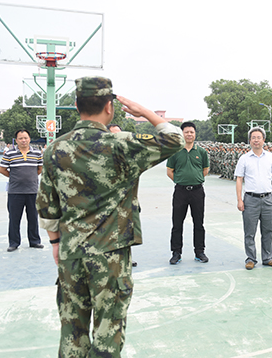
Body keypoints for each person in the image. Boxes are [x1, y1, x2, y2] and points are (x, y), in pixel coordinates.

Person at [36, 76, 184, 357]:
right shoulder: (121, 144)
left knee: (72, 332)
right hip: (110, 255)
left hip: (70, 253)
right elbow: (175, 139)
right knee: (107, 333)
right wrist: (144, 112)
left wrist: (55, 243)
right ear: (109, 106)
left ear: (77, 105)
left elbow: (47, 205)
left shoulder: (54, 149)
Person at [234, 127, 272, 270]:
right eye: (253, 138)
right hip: (250, 199)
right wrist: (239, 199)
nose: (256, 140)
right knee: (250, 232)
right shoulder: (244, 159)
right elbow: (239, 179)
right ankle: (251, 259)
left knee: (268, 231)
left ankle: (268, 258)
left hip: (268, 199)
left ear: (263, 140)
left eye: (258, 137)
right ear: (249, 141)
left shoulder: (270, 157)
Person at [167, 121, 210, 264]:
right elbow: (169, 171)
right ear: (182, 134)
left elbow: (205, 170)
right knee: (177, 223)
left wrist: (195, 179)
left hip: (197, 191)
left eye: (192, 132)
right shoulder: (175, 151)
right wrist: (181, 180)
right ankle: (176, 253)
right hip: (180, 192)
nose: (189, 134)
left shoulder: (201, 152)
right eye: (186, 132)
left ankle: (200, 252)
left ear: (195, 134)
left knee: (199, 223)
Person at [0, 129, 44, 252]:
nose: (23, 140)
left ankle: (34, 241)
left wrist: (30, 178)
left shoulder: (37, 153)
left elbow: (40, 169)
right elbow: (2, 169)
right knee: (14, 219)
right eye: (20, 138)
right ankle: (14, 243)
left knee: (33, 218)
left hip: (32, 191)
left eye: (26, 138)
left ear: (29, 139)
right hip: (15, 192)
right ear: (16, 140)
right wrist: (14, 178)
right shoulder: (9, 154)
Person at [108, 124, 138, 268]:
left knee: (127, 230)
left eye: (120, 133)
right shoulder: (100, 154)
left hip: (127, 200)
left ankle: (126, 258)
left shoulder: (129, 154)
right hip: (107, 202)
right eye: (114, 134)